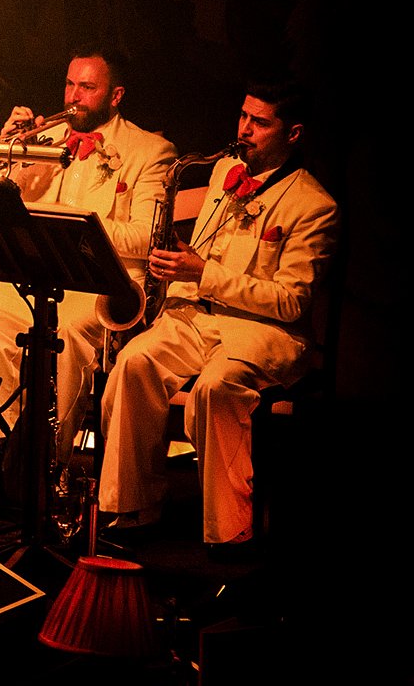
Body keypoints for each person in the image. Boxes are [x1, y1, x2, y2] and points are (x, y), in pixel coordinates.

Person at [98, 84, 335, 551]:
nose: (243, 129)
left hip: (263, 332)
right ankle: (133, 507)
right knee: (134, 363)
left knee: (214, 388)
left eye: (260, 122)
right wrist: (176, 269)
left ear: (294, 133)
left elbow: (290, 303)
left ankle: (229, 532)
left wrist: (204, 272)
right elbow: (204, 255)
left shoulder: (315, 205)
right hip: (196, 319)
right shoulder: (225, 170)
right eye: (243, 116)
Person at [0, 47, 175, 471]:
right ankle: (0, 454)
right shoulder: (48, 139)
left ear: (115, 96)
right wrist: (11, 149)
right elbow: (2, 203)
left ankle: (46, 465)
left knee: (66, 335)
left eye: (88, 87)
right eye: (70, 84)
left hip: (100, 281)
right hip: (42, 273)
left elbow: (147, 236)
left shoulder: (151, 150)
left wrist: (78, 226)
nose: (74, 96)